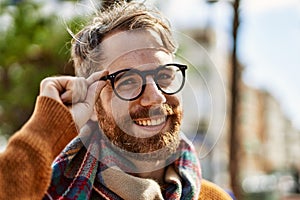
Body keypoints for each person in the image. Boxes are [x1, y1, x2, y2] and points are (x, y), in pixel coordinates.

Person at [0, 1, 233, 199]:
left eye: (164, 76)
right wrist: (45, 130)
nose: (156, 97)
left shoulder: (212, 197)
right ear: (91, 103)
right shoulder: (43, 191)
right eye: (128, 80)